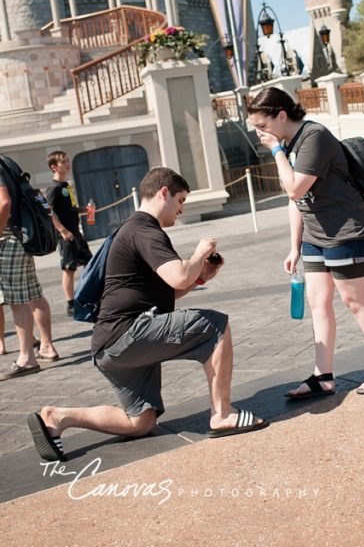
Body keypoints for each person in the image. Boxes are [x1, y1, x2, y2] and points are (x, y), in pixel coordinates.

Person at [26, 167, 268, 463]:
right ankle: (222, 414)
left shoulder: (134, 230)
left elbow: (169, 290)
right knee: (215, 325)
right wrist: (199, 252)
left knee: (140, 422)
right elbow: (179, 276)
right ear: (163, 192)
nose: (180, 209)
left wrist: (200, 277)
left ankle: (57, 417)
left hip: (110, 345)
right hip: (127, 335)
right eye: (180, 200)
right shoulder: (145, 229)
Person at [246, 87, 364, 398]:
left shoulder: (314, 137)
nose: (260, 134)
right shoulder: (289, 143)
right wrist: (295, 246)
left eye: (262, 126)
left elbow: (295, 189)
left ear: (282, 115)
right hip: (316, 235)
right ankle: (323, 376)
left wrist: (276, 151)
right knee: (317, 302)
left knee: (355, 302)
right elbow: (295, 202)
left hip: (346, 231)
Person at [0, 155, 60, 379]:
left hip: (9, 239)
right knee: (34, 293)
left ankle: (26, 359)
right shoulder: (6, 161)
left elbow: (4, 202)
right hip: (21, 236)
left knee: (16, 299)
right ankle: (46, 346)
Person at [45, 150, 92, 317]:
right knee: (69, 268)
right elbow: (48, 212)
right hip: (66, 235)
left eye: (67, 160)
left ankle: (89, 295)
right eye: (63, 161)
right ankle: (70, 304)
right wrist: (62, 230)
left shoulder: (66, 186)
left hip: (76, 232)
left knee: (90, 262)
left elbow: (70, 208)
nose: (67, 163)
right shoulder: (53, 188)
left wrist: (83, 210)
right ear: (54, 167)